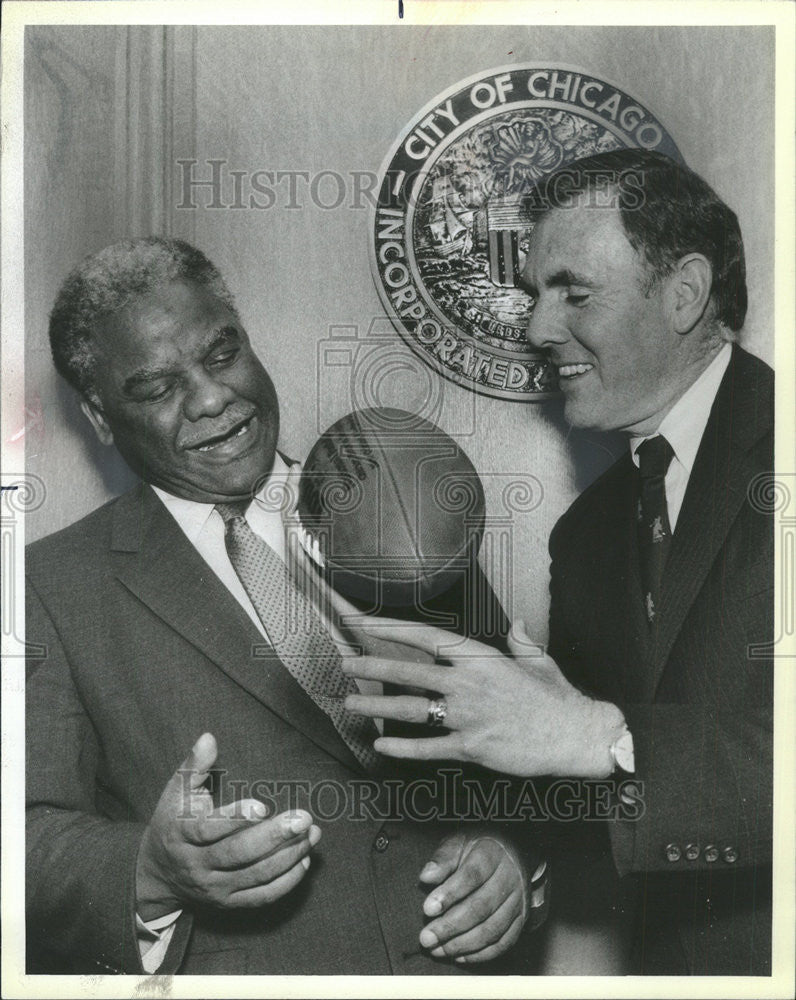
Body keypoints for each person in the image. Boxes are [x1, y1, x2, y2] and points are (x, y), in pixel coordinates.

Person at [25, 238, 543, 975]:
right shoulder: (50, 585)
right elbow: (27, 839)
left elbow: (522, 741)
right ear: (102, 418)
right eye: (157, 388)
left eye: (220, 354)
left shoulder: (401, 501)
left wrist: (513, 854)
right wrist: (149, 867)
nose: (211, 398)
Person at [342, 149, 774, 975]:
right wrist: (513, 850)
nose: (538, 328)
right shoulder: (586, 535)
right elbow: (585, 775)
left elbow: (595, 741)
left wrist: (593, 735)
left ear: (684, 293)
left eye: (574, 292)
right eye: (537, 293)